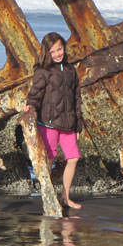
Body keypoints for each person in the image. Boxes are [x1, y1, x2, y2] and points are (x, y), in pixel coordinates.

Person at [23, 32, 83, 209]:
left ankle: (65, 197)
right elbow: (35, 94)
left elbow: (77, 98)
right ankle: (48, 199)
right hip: (48, 123)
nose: (58, 54)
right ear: (47, 53)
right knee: (49, 159)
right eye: (53, 51)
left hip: (68, 124)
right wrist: (30, 106)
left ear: (64, 47)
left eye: (60, 49)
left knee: (73, 158)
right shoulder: (43, 71)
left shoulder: (71, 70)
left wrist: (78, 124)